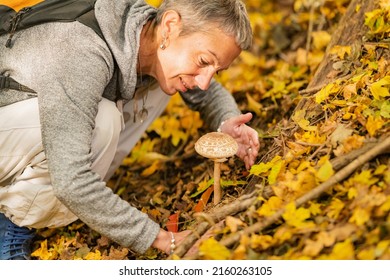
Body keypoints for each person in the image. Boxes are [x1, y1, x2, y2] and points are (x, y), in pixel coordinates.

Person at [0, 0, 260, 260]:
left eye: (217, 70)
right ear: (170, 25)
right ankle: (11, 223)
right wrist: (161, 239)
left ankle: (82, 197)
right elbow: (71, 180)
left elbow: (206, 92)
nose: (204, 82)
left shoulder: (143, 31)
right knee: (104, 121)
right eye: (204, 61)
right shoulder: (82, 49)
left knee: (170, 79)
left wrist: (227, 121)